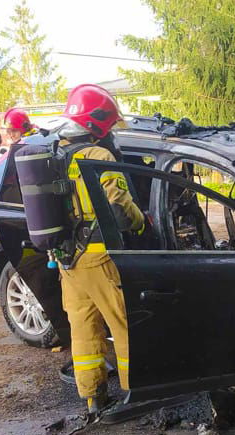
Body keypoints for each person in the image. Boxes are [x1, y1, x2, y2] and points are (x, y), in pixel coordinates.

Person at [53, 84, 145, 414]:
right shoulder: (98, 156)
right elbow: (119, 208)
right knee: (123, 326)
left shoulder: (56, 154)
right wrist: (141, 223)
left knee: (84, 330)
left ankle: (93, 398)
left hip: (67, 260)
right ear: (98, 122)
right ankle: (136, 391)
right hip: (99, 256)